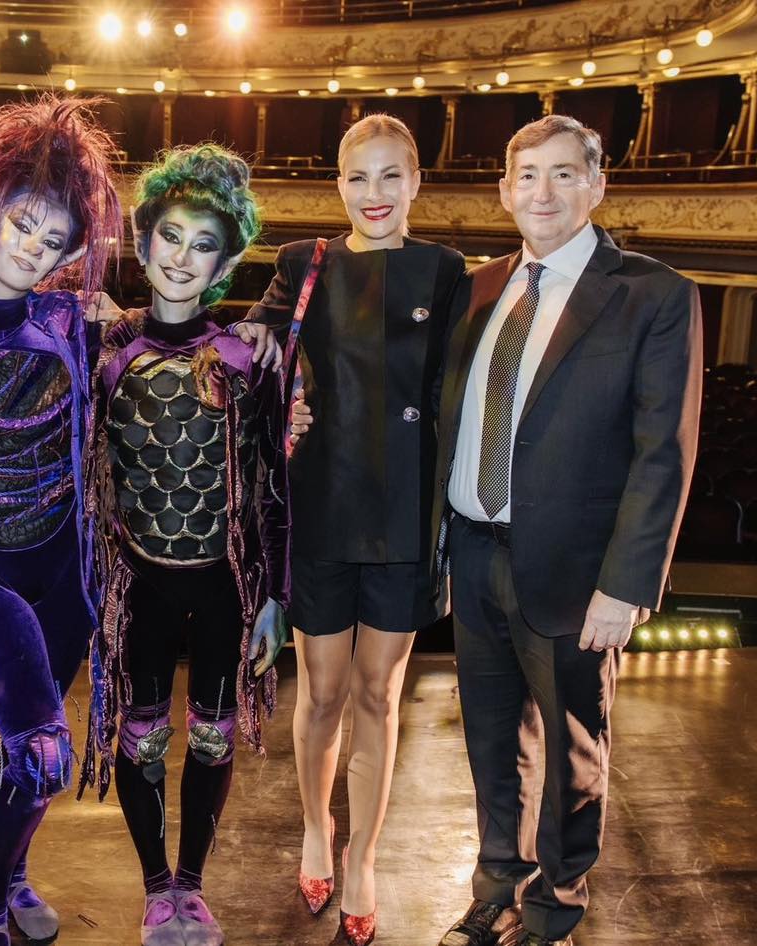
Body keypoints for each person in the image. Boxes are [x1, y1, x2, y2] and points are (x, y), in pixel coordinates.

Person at [0, 99, 279, 946]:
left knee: (29, 750)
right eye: (22, 226)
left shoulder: (72, 322)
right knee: (41, 747)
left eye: (54, 239)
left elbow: (192, 378)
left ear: (74, 252)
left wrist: (276, 344)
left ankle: (17, 873)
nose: (33, 247)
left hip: (66, 569)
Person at [432, 115, 701, 946]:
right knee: (491, 744)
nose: (542, 192)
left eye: (562, 173)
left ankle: (555, 908)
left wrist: (627, 586)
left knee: (572, 755)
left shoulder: (653, 295)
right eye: (527, 175)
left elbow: (664, 453)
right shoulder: (481, 286)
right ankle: (495, 891)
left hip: (579, 575)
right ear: (504, 190)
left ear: (597, 185)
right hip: (473, 552)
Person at [245, 113, 466, 946]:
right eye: (357, 177)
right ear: (338, 184)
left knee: (379, 694)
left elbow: (460, 388)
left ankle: (363, 857)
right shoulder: (303, 264)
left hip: (405, 512)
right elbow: (245, 353)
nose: (374, 193)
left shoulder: (446, 271)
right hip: (323, 505)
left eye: (390, 175)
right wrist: (281, 406)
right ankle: (316, 828)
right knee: (324, 690)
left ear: (416, 183)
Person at [84, 144, 290, 946]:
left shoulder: (246, 357)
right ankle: (153, 887)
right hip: (140, 582)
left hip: (224, 586)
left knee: (212, 732)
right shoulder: (106, 348)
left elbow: (273, 486)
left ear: (226, 263)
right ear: (143, 242)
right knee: (139, 735)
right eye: (170, 236)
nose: (182, 256)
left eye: (203, 244)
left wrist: (275, 597)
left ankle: (191, 886)